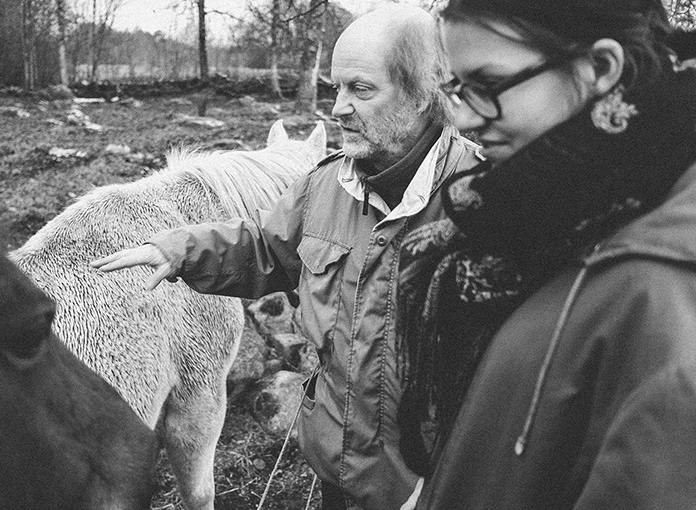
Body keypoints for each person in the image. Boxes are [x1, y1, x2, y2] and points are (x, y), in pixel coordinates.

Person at [90, 4, 480, 509]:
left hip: (432, 485)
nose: (337, 108)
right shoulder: (325, 186)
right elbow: (266, 248)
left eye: (360, 89)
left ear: (424, 92)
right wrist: (178, 248)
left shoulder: (485, 197)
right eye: (334, 87)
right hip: (337, 470)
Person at [394, 0, 696, 508]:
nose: (464, 118)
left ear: (600, 68)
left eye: (487, 86)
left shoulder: (661, 286)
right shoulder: (539, 216)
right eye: (457, 88)